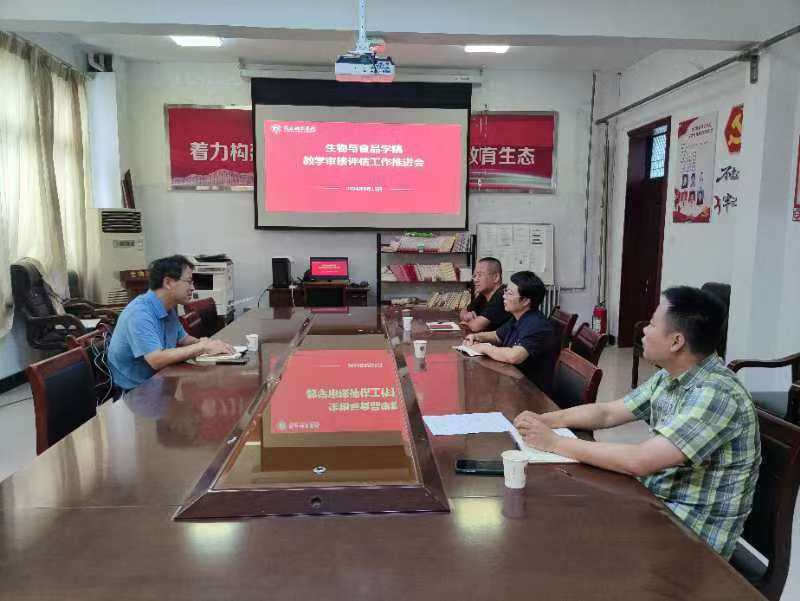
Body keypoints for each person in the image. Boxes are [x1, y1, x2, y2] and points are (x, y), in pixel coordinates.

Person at [514, 286, 760, 559]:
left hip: (691, 539)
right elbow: (608, 412)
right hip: (656, 503)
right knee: (559, 514)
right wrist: (547, 419)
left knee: (566, 540)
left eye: (652, 324)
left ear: (676, 342)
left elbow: (641, 460)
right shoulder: (670, 376)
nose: (644, 330)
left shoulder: (716, 394)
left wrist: (554, 442)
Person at [108, 255, 234, 391]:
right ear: (168, 282)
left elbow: (184, 339)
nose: (193, 287)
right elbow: (156, 360)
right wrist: (202, 347)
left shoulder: (168, 308)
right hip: (135, 391)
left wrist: (208, 344)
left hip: (161, 381)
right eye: (189, 282)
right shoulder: (139, 314)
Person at [463, 270, 559, 394]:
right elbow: (496, 335)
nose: (504, 296)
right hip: (515, 381)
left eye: (509, 293)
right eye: (505, 291)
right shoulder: (518, 317)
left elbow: (514, 356)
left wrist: (483, 348)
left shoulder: (536, 325)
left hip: (532, 393)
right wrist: (477, 336)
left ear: (525, 301)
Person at [459, 257, 511, 332]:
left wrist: (467, 322)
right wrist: (466, 316)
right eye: (474, 276)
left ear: (496, 277)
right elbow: (464, 311)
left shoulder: (503, 295)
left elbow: (475, 326)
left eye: (480, 275)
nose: (475, 280)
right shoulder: (484, 294)